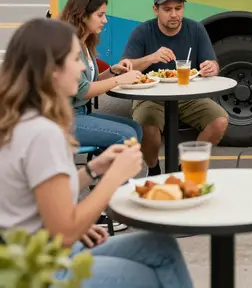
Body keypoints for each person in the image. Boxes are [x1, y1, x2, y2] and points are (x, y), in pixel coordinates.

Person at [0, 18, 192, 287]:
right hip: (45, 269)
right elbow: (66, 231)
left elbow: (41, 193)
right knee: (148, 275)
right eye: (76, 59)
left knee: (160, 247)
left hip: (41, 252)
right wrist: (115, 177)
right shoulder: (42, 133)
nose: (81, 68)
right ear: (52, 70)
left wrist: (94, 170)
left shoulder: (22, 119)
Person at [121, 0, 228, 175]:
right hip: (150, 95)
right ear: (156, 10)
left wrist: (211, 66)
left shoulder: (195, 29)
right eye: (167, 9)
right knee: (148, 125)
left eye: (178, 9)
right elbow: (124, 68)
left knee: (219, 121)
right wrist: (150, 58)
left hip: (189, 93)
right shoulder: (143, 31)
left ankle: (186, 167)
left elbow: (211, 62)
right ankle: (153, 169)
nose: (174, 15)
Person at [58, 0, 144, 149]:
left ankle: (107, 171)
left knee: (135, 128)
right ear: (82, 16)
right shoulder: (69, 45)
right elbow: (83, 90)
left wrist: (113, 71)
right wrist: (119, 80)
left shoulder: (84, 43)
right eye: (100, 15)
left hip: (81, 113)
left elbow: (92, 81)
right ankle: (106, 173)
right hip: (65, 120)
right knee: (128, 135)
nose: (105, 20)